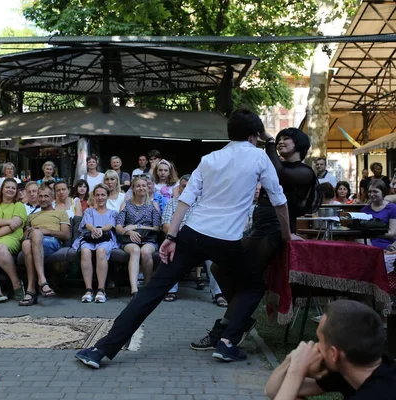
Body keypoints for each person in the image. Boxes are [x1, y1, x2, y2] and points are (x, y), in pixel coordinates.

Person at [75, 108, 295, 369]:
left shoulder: (210, 158)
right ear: (254, 136)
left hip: (192, 235)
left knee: (153, 291)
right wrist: (287, 235)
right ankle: (227, 343)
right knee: (254, 286)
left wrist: (172, 236)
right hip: (227, 241)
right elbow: (279, 201)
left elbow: (185, 200)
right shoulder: (260, 158)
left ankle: (100, 350)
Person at [193, 127, 314, 354]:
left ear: (299, 144)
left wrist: (267, 141)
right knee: (220, 268)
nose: (280, 142)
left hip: (275, 228)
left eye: (286, 139)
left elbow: (278, 174)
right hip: (259, 225)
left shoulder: (303, 171)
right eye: (279, 139)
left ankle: (226, 332)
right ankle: (241, 321)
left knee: (249, 281)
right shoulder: (276, 165)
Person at [264, 300, 395, 399]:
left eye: (319, 341)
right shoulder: (358, 367)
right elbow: (273, 391)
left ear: (334, 354)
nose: (315, 346)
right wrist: (291, 359)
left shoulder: (379, 393)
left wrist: (297, 370)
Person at [161, 174, 222, 302]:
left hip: (201, 240)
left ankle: (219, 294)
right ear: (180, 189)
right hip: (180, 239)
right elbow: (166, 225)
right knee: (172, 250)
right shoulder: (172, 203)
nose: (187, 189)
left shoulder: (205, 205)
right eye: (184, 186)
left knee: (214, 256)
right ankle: (171, 290)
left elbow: (211, 224)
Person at [18, 185, 70, 306]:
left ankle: (36, 284)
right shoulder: (32, 216)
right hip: (33, 242)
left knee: (34, 236)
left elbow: (66, 235)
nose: (43, 199)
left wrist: (45, 231)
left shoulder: (61, 213)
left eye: (46, 196)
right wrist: (28, 231)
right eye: (40, 196)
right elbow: (23, 238)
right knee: (26, 243)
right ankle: (35, 287)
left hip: (52, 241)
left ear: (52, 197)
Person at [116, 176, 161, 299]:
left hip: (148, 239)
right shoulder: (125, 204)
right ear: (133, 189)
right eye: (138, 186)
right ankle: (134, 290)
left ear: (147, 188)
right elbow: (119, 227)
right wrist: (129, 232)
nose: (141, 188)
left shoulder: (153, 205)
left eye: (144, 185)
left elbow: (157, 228)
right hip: (129, 239)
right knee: (135, 251)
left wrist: (136, 226)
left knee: (146, 252)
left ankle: (147, 286)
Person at [72, 184, 118, 303]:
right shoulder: (89, 211)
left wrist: (101, 230)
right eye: (97, 195)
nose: (100, 197)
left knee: (101, 250)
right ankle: (88, 289)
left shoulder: (112, 212)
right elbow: (87, 224)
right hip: (89, 238)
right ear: (93, 196)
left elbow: (110, 225)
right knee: (85, 251)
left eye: (103, 195)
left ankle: (101, 289)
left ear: (107, 196)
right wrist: (93, 229)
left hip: (106, 238)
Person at [361, 180, 396, 250]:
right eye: (370, 192)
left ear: (383, 192)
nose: (371, 194)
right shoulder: (364, 210)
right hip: (370, 246)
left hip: (388, 245)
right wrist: (371, 248)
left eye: (375, 191)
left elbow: (392, 233)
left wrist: (372, 233)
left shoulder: (392, 208)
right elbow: (362, 233)